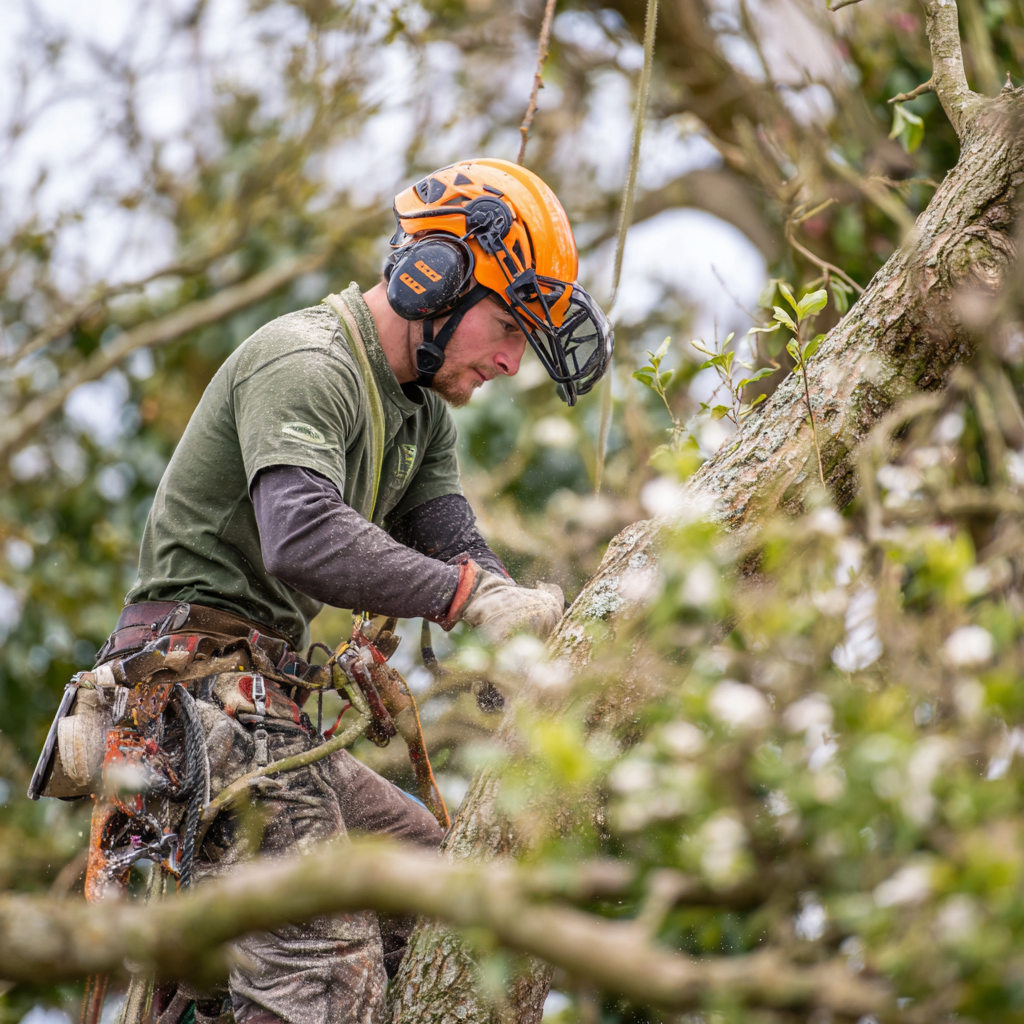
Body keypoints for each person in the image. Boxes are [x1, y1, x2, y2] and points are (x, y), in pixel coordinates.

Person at [54, 158, 612, 1024]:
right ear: (433, 280)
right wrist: (467, 600)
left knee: (435, 891)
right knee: (326, 964)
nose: (509, 360)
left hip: (267, 717)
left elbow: (455, 544)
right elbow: (301, 534)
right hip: (194, 703)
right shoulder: (306, 359)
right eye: (504, 324)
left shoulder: (421, 415)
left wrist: (516, 625)